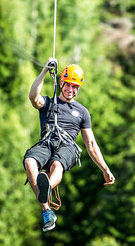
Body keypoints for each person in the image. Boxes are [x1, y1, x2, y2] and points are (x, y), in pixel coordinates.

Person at [23, 57, 115, 232]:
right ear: (61, 82)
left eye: (75, 87)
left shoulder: (82, 112)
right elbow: (33, 97)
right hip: (47, 142)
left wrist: (105, 169)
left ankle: (47, 186)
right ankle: (47, 211)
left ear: (78, 89)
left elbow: (91, 144)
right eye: (68, 85)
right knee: (29, 162)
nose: (71, 89)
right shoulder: (48, 103)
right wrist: (44, 71)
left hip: (67, 147)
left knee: (57, 164)